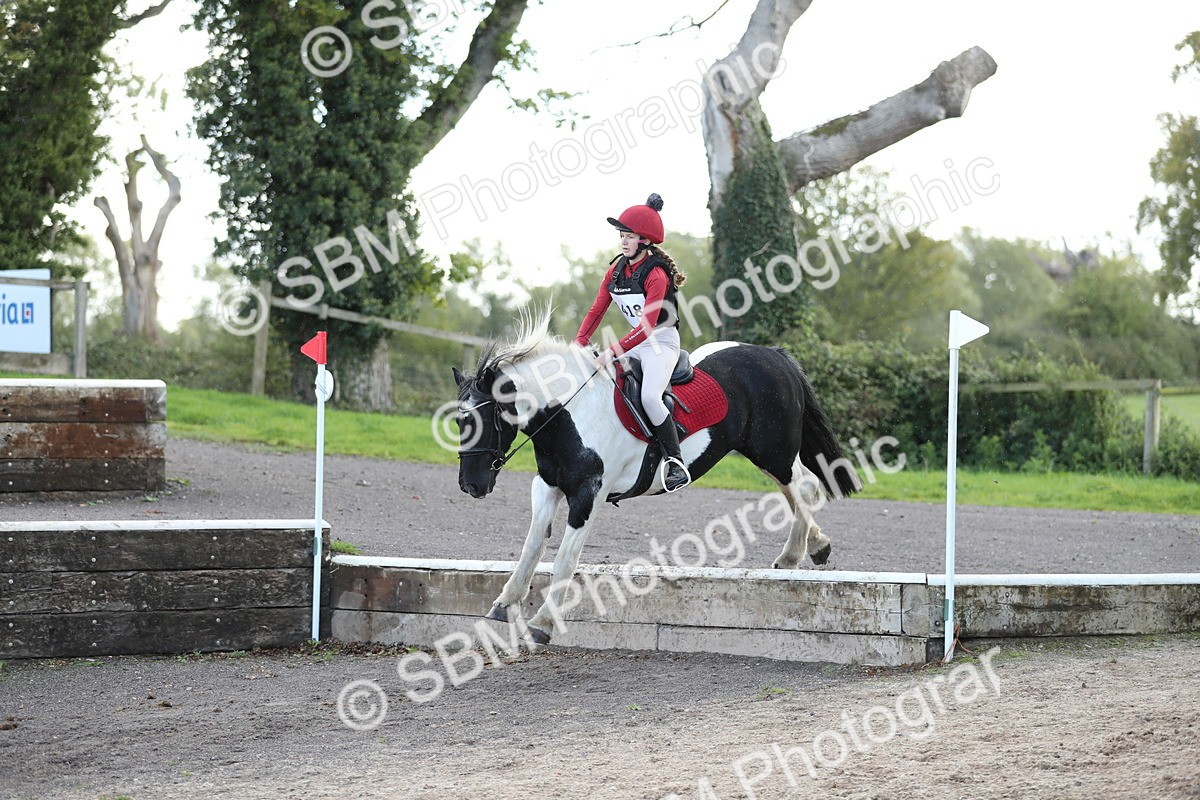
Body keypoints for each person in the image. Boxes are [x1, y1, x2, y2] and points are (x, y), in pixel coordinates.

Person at [575, 192, 692, 492]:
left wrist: (612, 351)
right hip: (636, 343)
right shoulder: (615, 272)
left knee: (651, 397)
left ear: (644, 241)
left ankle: (674, 462)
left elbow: (647, 328)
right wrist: (580, 342)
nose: (623, 241)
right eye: (621, 236)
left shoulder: (656, 275)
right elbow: (596, 310)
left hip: (662, 342)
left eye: (629, 236)